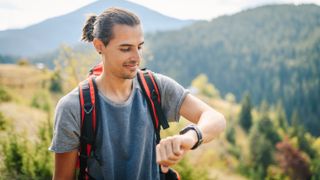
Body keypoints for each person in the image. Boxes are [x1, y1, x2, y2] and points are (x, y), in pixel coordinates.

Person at [49, 7, 226, 180]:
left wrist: (189, 137)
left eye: (139, 47)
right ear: (99, 46)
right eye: (126, 49)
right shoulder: (73, 107)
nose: (137, 58)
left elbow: (216, 118)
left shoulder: (155, 87)